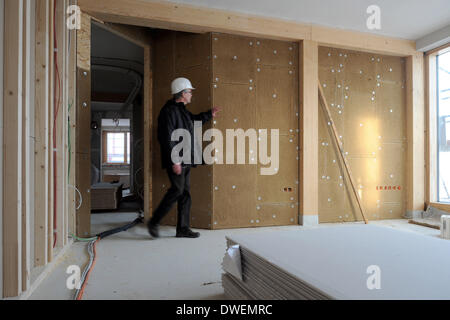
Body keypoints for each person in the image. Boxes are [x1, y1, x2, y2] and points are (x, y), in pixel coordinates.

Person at [148, 77, 221, 238]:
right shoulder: (168, 111)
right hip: (178, 160)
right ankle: (154, 221)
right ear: (182, 93)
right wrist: (175, 160)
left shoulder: (181, 110)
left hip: (186, 158)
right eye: (189, 92)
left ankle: (182, 228)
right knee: (177, 190)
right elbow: (166, 137)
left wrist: (209, 114)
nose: (191, 95)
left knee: (185, 193)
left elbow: (193, 121)